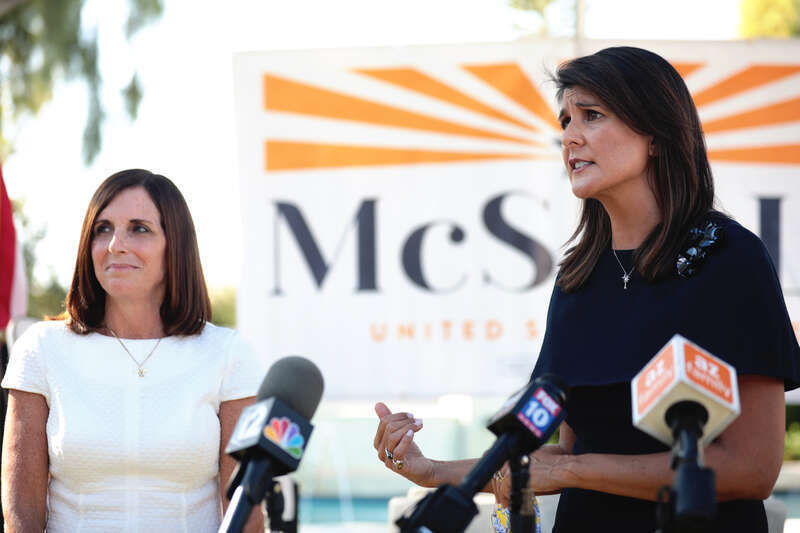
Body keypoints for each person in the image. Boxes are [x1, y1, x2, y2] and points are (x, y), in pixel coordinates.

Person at [372, 46, 800, 532]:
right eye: (565, 121)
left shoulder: (732, 259)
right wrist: (431, 472)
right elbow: (563, 455)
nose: (570, 137)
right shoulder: (576, 277)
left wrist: (572, 471)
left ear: (656, 134)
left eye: (591, 116)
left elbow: (752, 469)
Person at [1, 169, 266, 532]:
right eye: (102, 229)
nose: (115, 245)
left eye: (139, 228)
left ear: (176, 245)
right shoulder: (41, 348)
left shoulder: (228, 354)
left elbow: (246, 514)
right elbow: (20, 513)